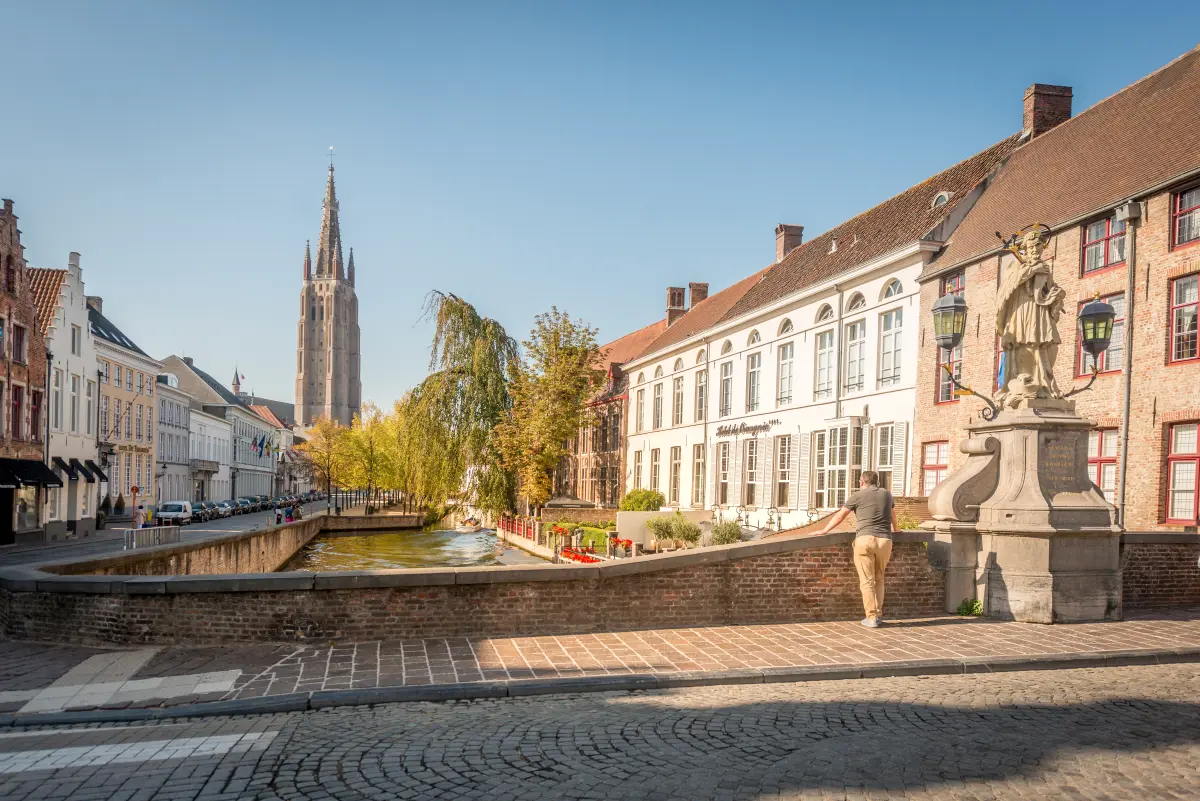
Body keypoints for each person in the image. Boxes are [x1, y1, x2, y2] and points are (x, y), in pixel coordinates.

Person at [818, 470, 899, 628]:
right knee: (879, 578)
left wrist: (824, 530)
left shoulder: (857, 496)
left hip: (864, 540)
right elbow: (893, 516)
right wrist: (897, 529)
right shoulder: (887, 495)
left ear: (862, 482)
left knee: (867, 581)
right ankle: (879, 613)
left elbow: (840, 516)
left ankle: (871, 617)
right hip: (885, 540)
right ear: (878, 482)